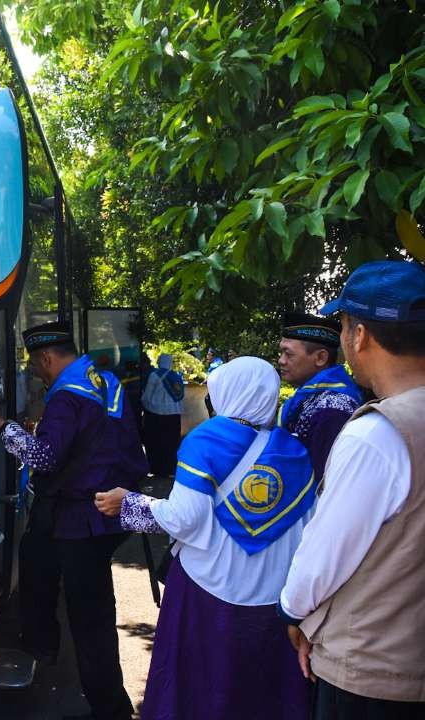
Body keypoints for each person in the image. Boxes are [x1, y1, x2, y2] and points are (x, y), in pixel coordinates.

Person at [96, 356, 315, 720]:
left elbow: (184, 519)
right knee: (259, 693)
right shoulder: (294, 451)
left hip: (208, 588)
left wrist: (127, 503)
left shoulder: (208, 439)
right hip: (273, 598)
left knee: (196, 688)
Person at [279, 260, 425, 719]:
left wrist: (294, 612)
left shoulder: (377, 435)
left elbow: (325, 553)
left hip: (371, 670)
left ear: (359, 336)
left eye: (343, 326)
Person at [0, 320, 146, 720]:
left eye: (35, 367)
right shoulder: (104, 381)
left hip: (82, 518)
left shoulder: (67, 397)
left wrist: (1, 427)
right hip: (107, 510)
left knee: (90, 618)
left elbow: (43, 457)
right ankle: (40, 645)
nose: (36, 375)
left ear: (47, 357)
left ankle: (109, 708)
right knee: (36, 553)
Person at [277, 312, 361, 477]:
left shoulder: (332, 410)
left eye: (289, 354)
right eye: (281, 353)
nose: (281, 360)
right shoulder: (312, 396)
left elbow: (323, 479)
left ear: (321, 357)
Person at [140, 353, 184, 477]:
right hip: (175, 415)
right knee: (171, 443)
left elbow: (147, 396)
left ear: (160, 362)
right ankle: (170, 470)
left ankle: (156, 469)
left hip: (156, 414)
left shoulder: (154, 375)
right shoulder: (177, 377)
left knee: (155, 442)